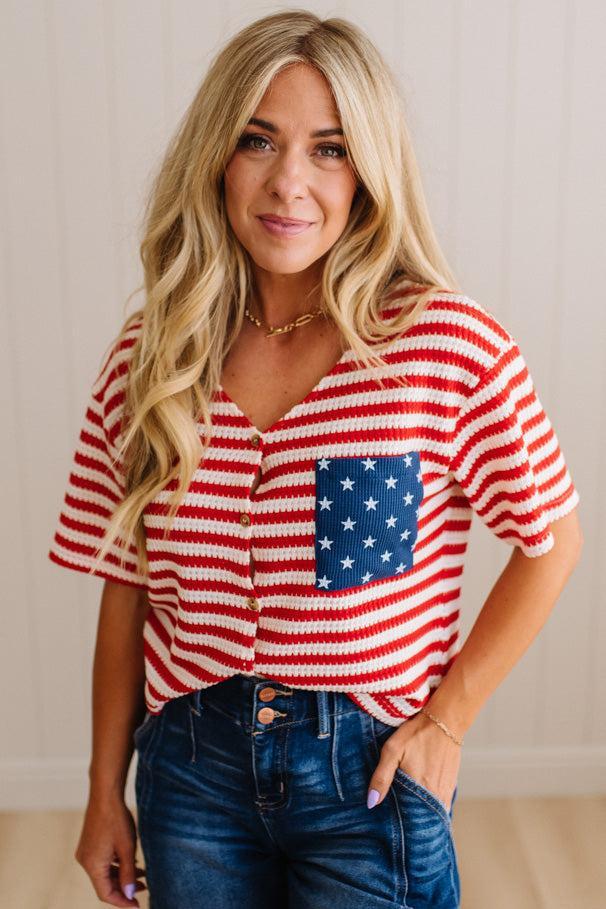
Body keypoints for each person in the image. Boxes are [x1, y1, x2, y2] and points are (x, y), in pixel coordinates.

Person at [47, 10, 582, 909]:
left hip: (368, 778)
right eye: (258, 139)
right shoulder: (154, 355)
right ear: (216, 155)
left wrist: (447, 720)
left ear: (369, 170)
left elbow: (552, 539)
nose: (288, 182)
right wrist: (105, 787)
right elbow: (124, 586)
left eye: (329, 149)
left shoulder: (443, 345)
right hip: (190, 775)